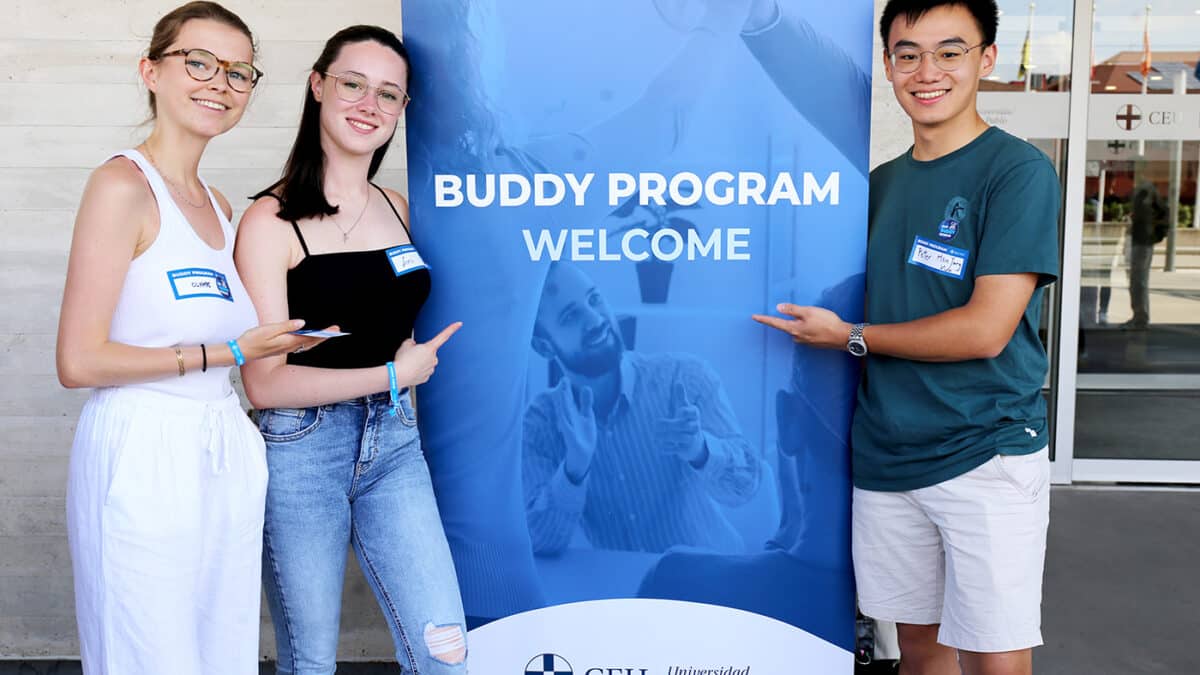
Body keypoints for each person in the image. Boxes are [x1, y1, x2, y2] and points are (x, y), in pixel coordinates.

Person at [753, 1, 1060, 673]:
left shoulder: (1016, 173)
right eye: (908, 53)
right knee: (920, 652)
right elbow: (817, 78)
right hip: (889, 460)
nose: (928, 71)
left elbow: (986, 328)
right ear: (888, 65)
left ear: (986, 60)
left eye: (949, 52)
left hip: (984, 453)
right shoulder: (880, 186)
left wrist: (851, 336)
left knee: (994, 658)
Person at [55, 3, 328, 673]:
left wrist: (282, 339)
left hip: (224, 447)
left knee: (222, 651)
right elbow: (78, 359)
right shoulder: (121, 186)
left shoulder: (222, 203)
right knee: (148, 654)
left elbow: (232, 332)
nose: (219, 82)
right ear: (151, 71)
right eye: (198, 62)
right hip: (143, 449)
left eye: (239, 72)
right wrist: (231, 353)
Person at [233, 25, 467, 674]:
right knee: (310, 661)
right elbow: (264, 384)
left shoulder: (398, 207)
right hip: (300, 450)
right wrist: (396, 372)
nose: (370, 104)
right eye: (353, 84)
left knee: (444, 648)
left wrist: (396, 380)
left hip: (394, 443)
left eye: (389, 94)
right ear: (318, 86)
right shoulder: (268, 222)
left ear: (402, 111)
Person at [522, 263, 763, 555]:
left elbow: (746, 486)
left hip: (712, 583)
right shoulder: (541, 422)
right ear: (544, 347)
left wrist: (700, 450)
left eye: (594, 299)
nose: (596, 319)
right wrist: (574, 467)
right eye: (571, 316)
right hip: (625, 591)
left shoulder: (686, 377)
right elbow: (540, 541)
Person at [1124, 168, 1167, 329]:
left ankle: (1141, 318)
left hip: (1143, 240)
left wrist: (1156, 235)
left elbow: (1163, 213)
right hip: (1136, 239)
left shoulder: (1147, 190)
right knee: (1135, 280)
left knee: (1139, 280)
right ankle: (1138, 315)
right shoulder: (1139, 190)